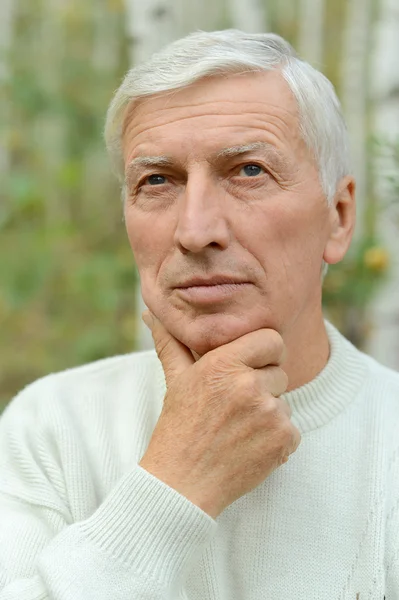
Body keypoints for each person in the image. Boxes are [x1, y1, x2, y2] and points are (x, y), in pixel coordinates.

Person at [0, 29, 398, 600]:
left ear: (337, 217)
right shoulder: (52, 429)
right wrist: (175, 482)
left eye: (248, 171)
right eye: (157, 181)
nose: (196, 231)